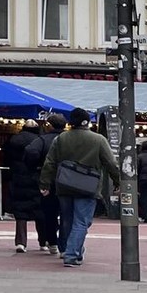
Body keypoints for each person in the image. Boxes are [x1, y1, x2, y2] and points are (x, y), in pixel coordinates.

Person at [38, 107, 120, 267]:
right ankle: (72, 255)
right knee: (82, 222)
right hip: (88, 186)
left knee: (67, 220)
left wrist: (45, 183)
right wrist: (118, 182)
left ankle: (71, 250)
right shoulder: (98, 140)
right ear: (86, 122)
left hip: (64, 185)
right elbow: (111, 163)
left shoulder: (61, 139)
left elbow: (50, 162)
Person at [27, 115, 66, 254]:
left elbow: (31, 152)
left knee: (49, 213)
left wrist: (34, 167)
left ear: (49, 125)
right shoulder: (69, 139)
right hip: (69, 180)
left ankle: (52, 242)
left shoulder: (43, 140)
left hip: (49, 180)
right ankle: (65, 244)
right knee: (68, 213)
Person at [4, 119, 43, 252]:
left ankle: (21, 242)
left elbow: (6, 158)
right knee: (39, 211)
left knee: (20, 213)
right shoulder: (39, 140)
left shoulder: (14, 140)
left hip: (18, 178)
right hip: (35, 177)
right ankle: (43, 241)